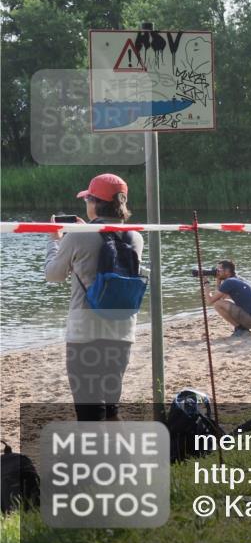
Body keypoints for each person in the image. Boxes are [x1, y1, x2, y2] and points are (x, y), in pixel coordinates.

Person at [45, 174, 143, 422]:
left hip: (85, 335)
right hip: (122, 333)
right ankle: (120, 458)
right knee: (111, 408)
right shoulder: (135, 237)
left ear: (95, 202)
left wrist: (55, 241)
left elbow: (54, 275)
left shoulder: (78, 236)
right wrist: (87, 225)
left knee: (89, 412)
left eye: (87, 198)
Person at [203, 260, 251, 337]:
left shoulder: (229, 282)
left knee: (217, 304)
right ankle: (242, 329)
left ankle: (240, 329)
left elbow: (210, 301)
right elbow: (221, 297)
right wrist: (218, 281)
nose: (216, 272)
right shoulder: (238, 279)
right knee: (223, 301)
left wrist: (206, 283)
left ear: (227, 271)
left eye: (218, 270)